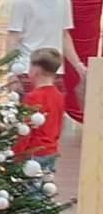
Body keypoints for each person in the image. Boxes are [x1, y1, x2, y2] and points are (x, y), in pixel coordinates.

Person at [2, 0, 81, 87]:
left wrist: (78, 65)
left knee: (55, 105)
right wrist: (11, 72)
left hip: (54, 69)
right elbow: (13, 37)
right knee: (30, 106)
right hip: (28, 68)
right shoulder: (22, 1)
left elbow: (65, 36)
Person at [18, 48, 67, 176]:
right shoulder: (59, 96)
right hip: (51, 150)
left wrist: (17, 154)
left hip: (34, 152)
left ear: (36, 70)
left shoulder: (33, 97)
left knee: (31, 192)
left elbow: (25, 130)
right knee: (44, 188)